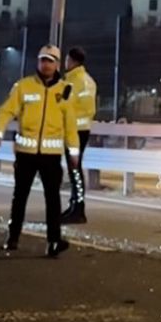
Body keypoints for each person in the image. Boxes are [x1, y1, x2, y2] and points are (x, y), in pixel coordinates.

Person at [0, 46, 75, 257]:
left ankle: (53, 241)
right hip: (26, 153)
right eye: (42, 60)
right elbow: (6, 110)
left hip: (51, 156)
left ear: (57, 64)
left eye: (50, 61)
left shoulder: (65, 90)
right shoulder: (24, 87)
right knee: (20, 197)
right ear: (38, 62)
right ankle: (13, 236)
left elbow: (70, 124)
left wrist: (74, 151)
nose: (46, 64)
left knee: (53, 200)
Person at [61, 47, 98, 224]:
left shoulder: (73, 82)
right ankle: (75, 206)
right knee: (75, 169)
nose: (65, 63)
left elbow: (64, 105)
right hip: (83, 129)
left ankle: (78, 209)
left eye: (67, 60)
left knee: (74, 170)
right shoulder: (89, 80)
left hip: (73, 130)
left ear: (73, 61)